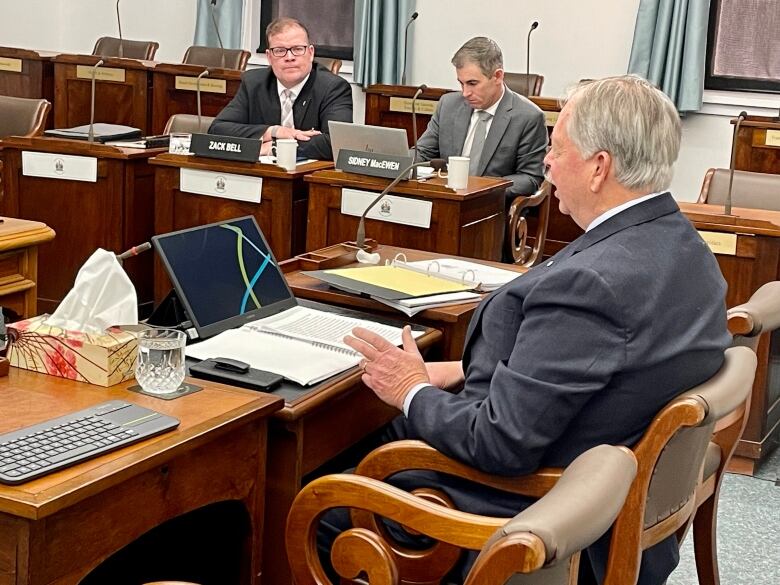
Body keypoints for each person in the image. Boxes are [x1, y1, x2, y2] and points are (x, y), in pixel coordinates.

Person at [337, 75, 732, 584]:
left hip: (521, 516)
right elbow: (592, 365)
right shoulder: (683, 246)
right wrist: (457, 369)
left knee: (316, 491)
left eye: (556, 147)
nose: (545, 161)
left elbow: (501, 443)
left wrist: (408, 387)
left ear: (599, 167)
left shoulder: (592, 285)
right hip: (593, 487)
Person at [415, 36, 548, 199]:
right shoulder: (448, 105)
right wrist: (395, 163)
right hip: (444, 201)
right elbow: (423, 152)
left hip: (490, 208)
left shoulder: (529, 117)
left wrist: (481, 189)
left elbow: (530, 178)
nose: (465, 93)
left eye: (472, 83)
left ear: (498, 76)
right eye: (461, 83)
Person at [208, 17, 352, 160]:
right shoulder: (254, 83)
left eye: (297, 49)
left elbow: (336, 143)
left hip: (309, 177)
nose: (289, 57)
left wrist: (275, 147)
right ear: (269, 57)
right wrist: (275, 131)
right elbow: (217, 129)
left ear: (311, 53)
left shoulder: (333, 88)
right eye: (280, 50)